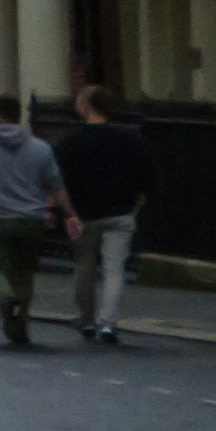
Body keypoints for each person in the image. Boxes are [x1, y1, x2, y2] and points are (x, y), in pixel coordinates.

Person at [0, 93, 73, 350]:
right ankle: (18, 324)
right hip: (32, 220)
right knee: (24, 272)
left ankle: (5, 298)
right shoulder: (41, 148)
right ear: (18, 114)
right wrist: (70, 213)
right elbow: (56, 185)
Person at [60, 82, 157, 346]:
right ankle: (108, 323)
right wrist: (135, 205)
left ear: (84, 106)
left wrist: (67, 212)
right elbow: (146, 176)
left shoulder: (70, 143)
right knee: (115, 270)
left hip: (84, 214)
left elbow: (60, 182)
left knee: (84, 268)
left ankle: (86, 319)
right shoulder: (129, 139)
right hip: (121, 212)